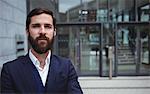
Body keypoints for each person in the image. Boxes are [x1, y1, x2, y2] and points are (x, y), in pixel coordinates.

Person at [0, 8, 83, 94]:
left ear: (54, 32)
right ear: (27, 31)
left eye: (47, 26)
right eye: (36, 26)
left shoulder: (66, 67)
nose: (42, 31)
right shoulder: (10, 70)